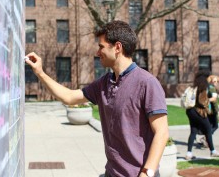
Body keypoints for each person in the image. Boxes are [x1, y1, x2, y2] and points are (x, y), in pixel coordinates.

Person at [25, 20, 169, 177]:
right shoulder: (104, 83)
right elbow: (69, 97)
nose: (97, 52)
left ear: (118, 47)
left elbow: (161, 133)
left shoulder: (147, 83)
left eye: (101, 46)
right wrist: (40, 72)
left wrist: (147, 173)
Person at [185, 71, 219, 160]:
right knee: (208, 129)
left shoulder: (194, 86)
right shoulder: (203, 87)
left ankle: (189, 153)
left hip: (190, 111)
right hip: (198, 111)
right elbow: (202, 101)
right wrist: (208, 102)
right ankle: (213, 151)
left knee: (193, 131)